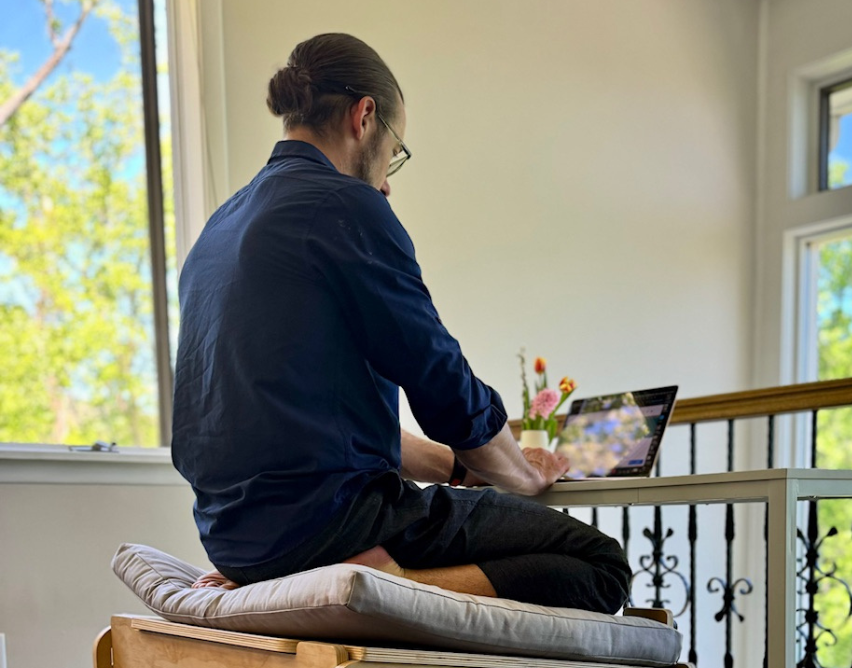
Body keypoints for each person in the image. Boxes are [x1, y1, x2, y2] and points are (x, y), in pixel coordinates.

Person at [171, 32, 631, 613]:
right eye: (394, 151)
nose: (387, 180)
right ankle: (375, 583)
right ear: (365, 116)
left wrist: (456, 469)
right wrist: (520, 473)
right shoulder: (344, 205)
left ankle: (316, 574)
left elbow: (304, 417)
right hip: (333, 526)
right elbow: (440, 378)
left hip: (238, 538)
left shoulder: (220, 228)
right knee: (602, 565)